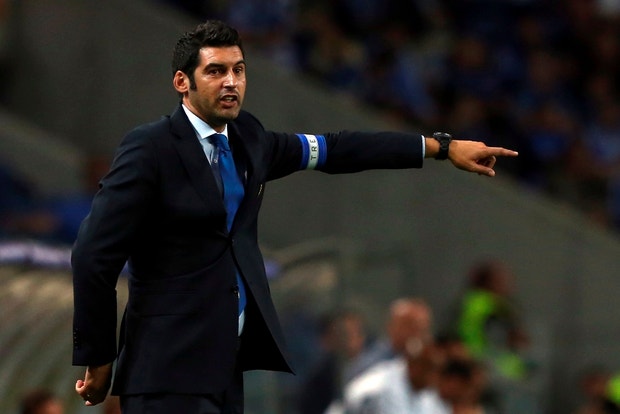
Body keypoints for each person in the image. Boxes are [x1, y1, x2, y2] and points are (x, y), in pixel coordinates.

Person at [71, 19, 518, 414]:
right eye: (216, 71)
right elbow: (94, 254)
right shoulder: (149, 149)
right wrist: (99, 356)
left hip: (225, 372)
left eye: (239, 70)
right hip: (165, 372)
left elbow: (337, 149)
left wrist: (439, 147)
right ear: (182, 82)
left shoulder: (250, 141)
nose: (231, 82)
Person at [345, 297, 433, 382]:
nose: (418, 333)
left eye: (423, 328)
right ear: (391, 326)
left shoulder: (431, 364)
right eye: (410, 326)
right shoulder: (370, 366)